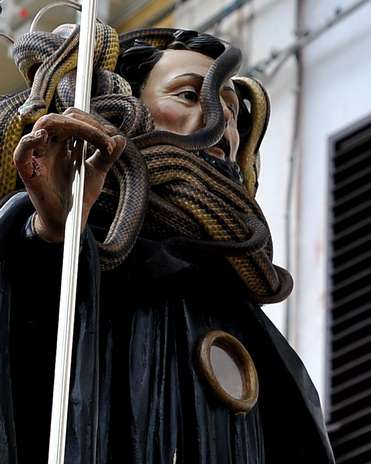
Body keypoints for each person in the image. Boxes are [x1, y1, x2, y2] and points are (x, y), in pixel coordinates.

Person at [0, 25, 334, 463]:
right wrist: (58, 230)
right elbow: (26, 323)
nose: (220, 122)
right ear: (126, 110)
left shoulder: (233, 292)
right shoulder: (61, 223)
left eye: (231, 113)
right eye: (190, 96)